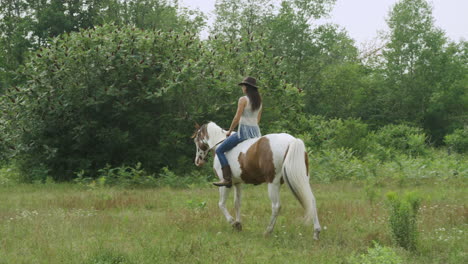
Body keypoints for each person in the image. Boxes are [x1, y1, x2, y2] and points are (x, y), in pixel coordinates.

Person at [213, 77, 262, 187]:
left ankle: (227, 179)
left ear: (247, 88)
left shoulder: (243, 100)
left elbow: (236, 118)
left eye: (243, 86)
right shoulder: (259, 101)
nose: (242, 88)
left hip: (243, 133)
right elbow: (258, 119)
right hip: (256, 133)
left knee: (220, 150)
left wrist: (230, 131)